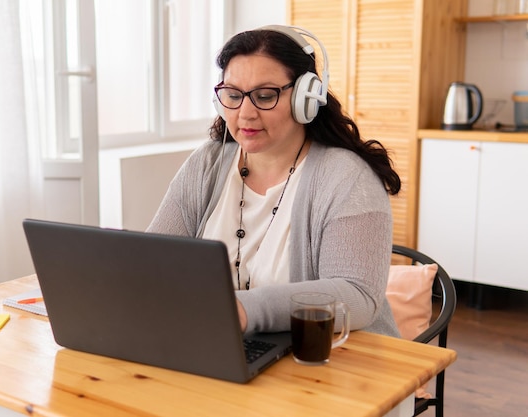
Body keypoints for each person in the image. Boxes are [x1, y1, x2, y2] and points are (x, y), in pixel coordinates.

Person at [147, 25, 401, 337]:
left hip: (331, 357)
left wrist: (242, 311)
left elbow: (356, 295)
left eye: (265, 96)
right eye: (233, 96)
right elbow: (154, 259)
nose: (245, 114)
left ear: (307, 97)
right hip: (227, 345)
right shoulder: (207, 163)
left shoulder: (347, 178)